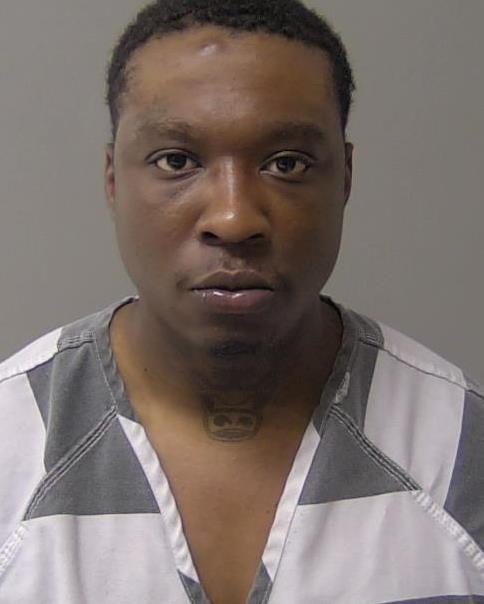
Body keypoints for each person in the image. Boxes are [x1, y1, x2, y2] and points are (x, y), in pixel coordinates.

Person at [0, 0, 483, 602]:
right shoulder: (11, 443)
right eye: (177, 161)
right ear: (113, 179)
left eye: (287, 163)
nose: (233, 218)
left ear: (345, 177)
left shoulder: (462, 449)